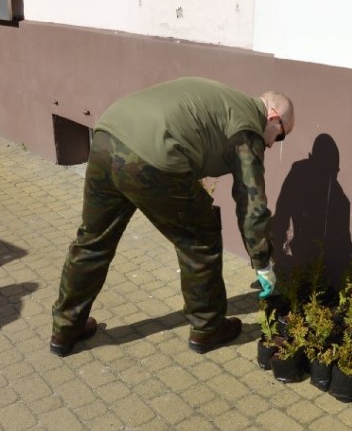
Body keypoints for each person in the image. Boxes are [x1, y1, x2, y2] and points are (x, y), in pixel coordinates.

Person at [50, 77, 295, 356]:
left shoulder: (224, 98)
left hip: (108, 135)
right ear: (274, 117)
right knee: (200, 238)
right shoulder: (248, 125)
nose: (274, 144)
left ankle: (66, 328)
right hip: (153, 156)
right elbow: (251, 204)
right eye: (281, 135)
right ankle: (208, 327)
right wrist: (263, 263)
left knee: (93, 239)